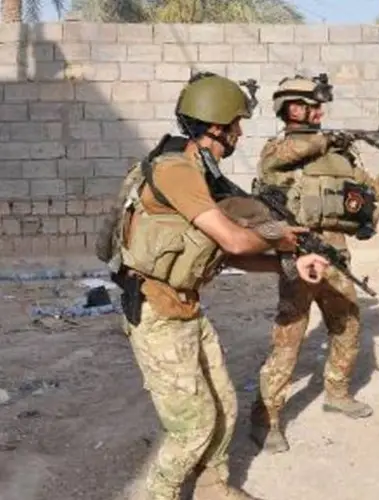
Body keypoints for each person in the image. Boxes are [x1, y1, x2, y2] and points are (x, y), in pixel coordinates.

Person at [96, 72, 329, 500]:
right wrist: (283, 237)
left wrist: (291, 264)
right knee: (193, 427)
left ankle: (212, 490)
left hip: (185, 307)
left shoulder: (200, 174)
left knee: (223, 404)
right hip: (154, 312)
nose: (240, 133)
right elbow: (237, 239)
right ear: (216, 126)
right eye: (237, 124)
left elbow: (233, 254)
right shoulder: (176, 171)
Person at [250, 73, 379, 453]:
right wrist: (329, 138)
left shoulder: (338, 156)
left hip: (335, 250)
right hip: (297, 249)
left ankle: (336, 392)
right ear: (292, 107)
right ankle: (266, 417)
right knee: (289, 338)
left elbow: (370, 193)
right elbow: (288, 157)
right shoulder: (276, 152)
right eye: (312, 104)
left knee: (348, 322)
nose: (321, 111)